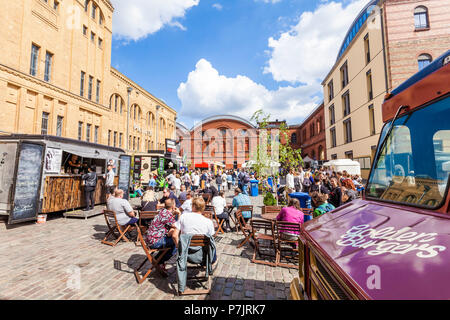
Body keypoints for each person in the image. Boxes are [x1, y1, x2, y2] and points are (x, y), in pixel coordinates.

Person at [144, 199, 180, 273]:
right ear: (173, 206)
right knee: (177, 243)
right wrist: (179, 214)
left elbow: (169, 225)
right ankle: (159, 261)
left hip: (150, 239)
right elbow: (178, 226)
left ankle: (158, 260)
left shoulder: (162, 211)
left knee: (172, 240)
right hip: (154, 242)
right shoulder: (167, 215)